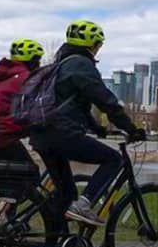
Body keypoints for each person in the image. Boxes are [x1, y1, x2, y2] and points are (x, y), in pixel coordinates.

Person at [30, 20, 145, 227]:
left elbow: (75, 105)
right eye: (98, 44)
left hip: (42, 135)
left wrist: (95, 128)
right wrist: (131, 129)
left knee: (65, 194)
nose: (98, 49)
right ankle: (85, 204)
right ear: (91, 45)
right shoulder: (81, 65)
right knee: (114, 160)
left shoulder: (60, 64)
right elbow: (105, 100)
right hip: (62, 134)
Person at [0, 39, 44, 164]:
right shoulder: (25, 78)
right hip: (0, 138)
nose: (39, 64)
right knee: (30, 173)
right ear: (32, 61)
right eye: (37, 60)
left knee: (8, 177)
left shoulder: (4, 78)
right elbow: (38, 106)